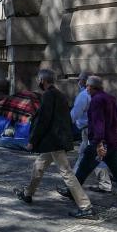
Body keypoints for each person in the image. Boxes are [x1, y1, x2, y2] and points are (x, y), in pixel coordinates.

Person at [15, 69, 95, 218]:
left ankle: (85, 206)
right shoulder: (59, 95)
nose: (38, 81)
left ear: (43, 80)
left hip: (54, 141)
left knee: (66, 172)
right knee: (39, 166)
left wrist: (32, 140)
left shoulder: (48, 95)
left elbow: (43, 121)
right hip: (55, 140)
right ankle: (27, 193)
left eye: (39, 79)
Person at [69, 75, 117, 214]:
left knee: (82, 170)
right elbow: (116, 120)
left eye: (87, 86)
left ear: (91, 87)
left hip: (101, 143)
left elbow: (99, 123)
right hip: (113, 142)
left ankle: (75, 197)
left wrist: (99, 143)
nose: (86, 88)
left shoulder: (96, 100)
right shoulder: (111, 98)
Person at [70, 71, 113, 193]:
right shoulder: (103, 96)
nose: (78, 82)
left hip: (89, 130)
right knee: (88, 155)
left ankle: (73, 184)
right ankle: (74, 183)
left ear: (85, 81)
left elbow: (75, 113)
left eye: (79, 79)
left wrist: (66, 124)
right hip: (96, 129)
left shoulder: (84, 95)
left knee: (92, 156)